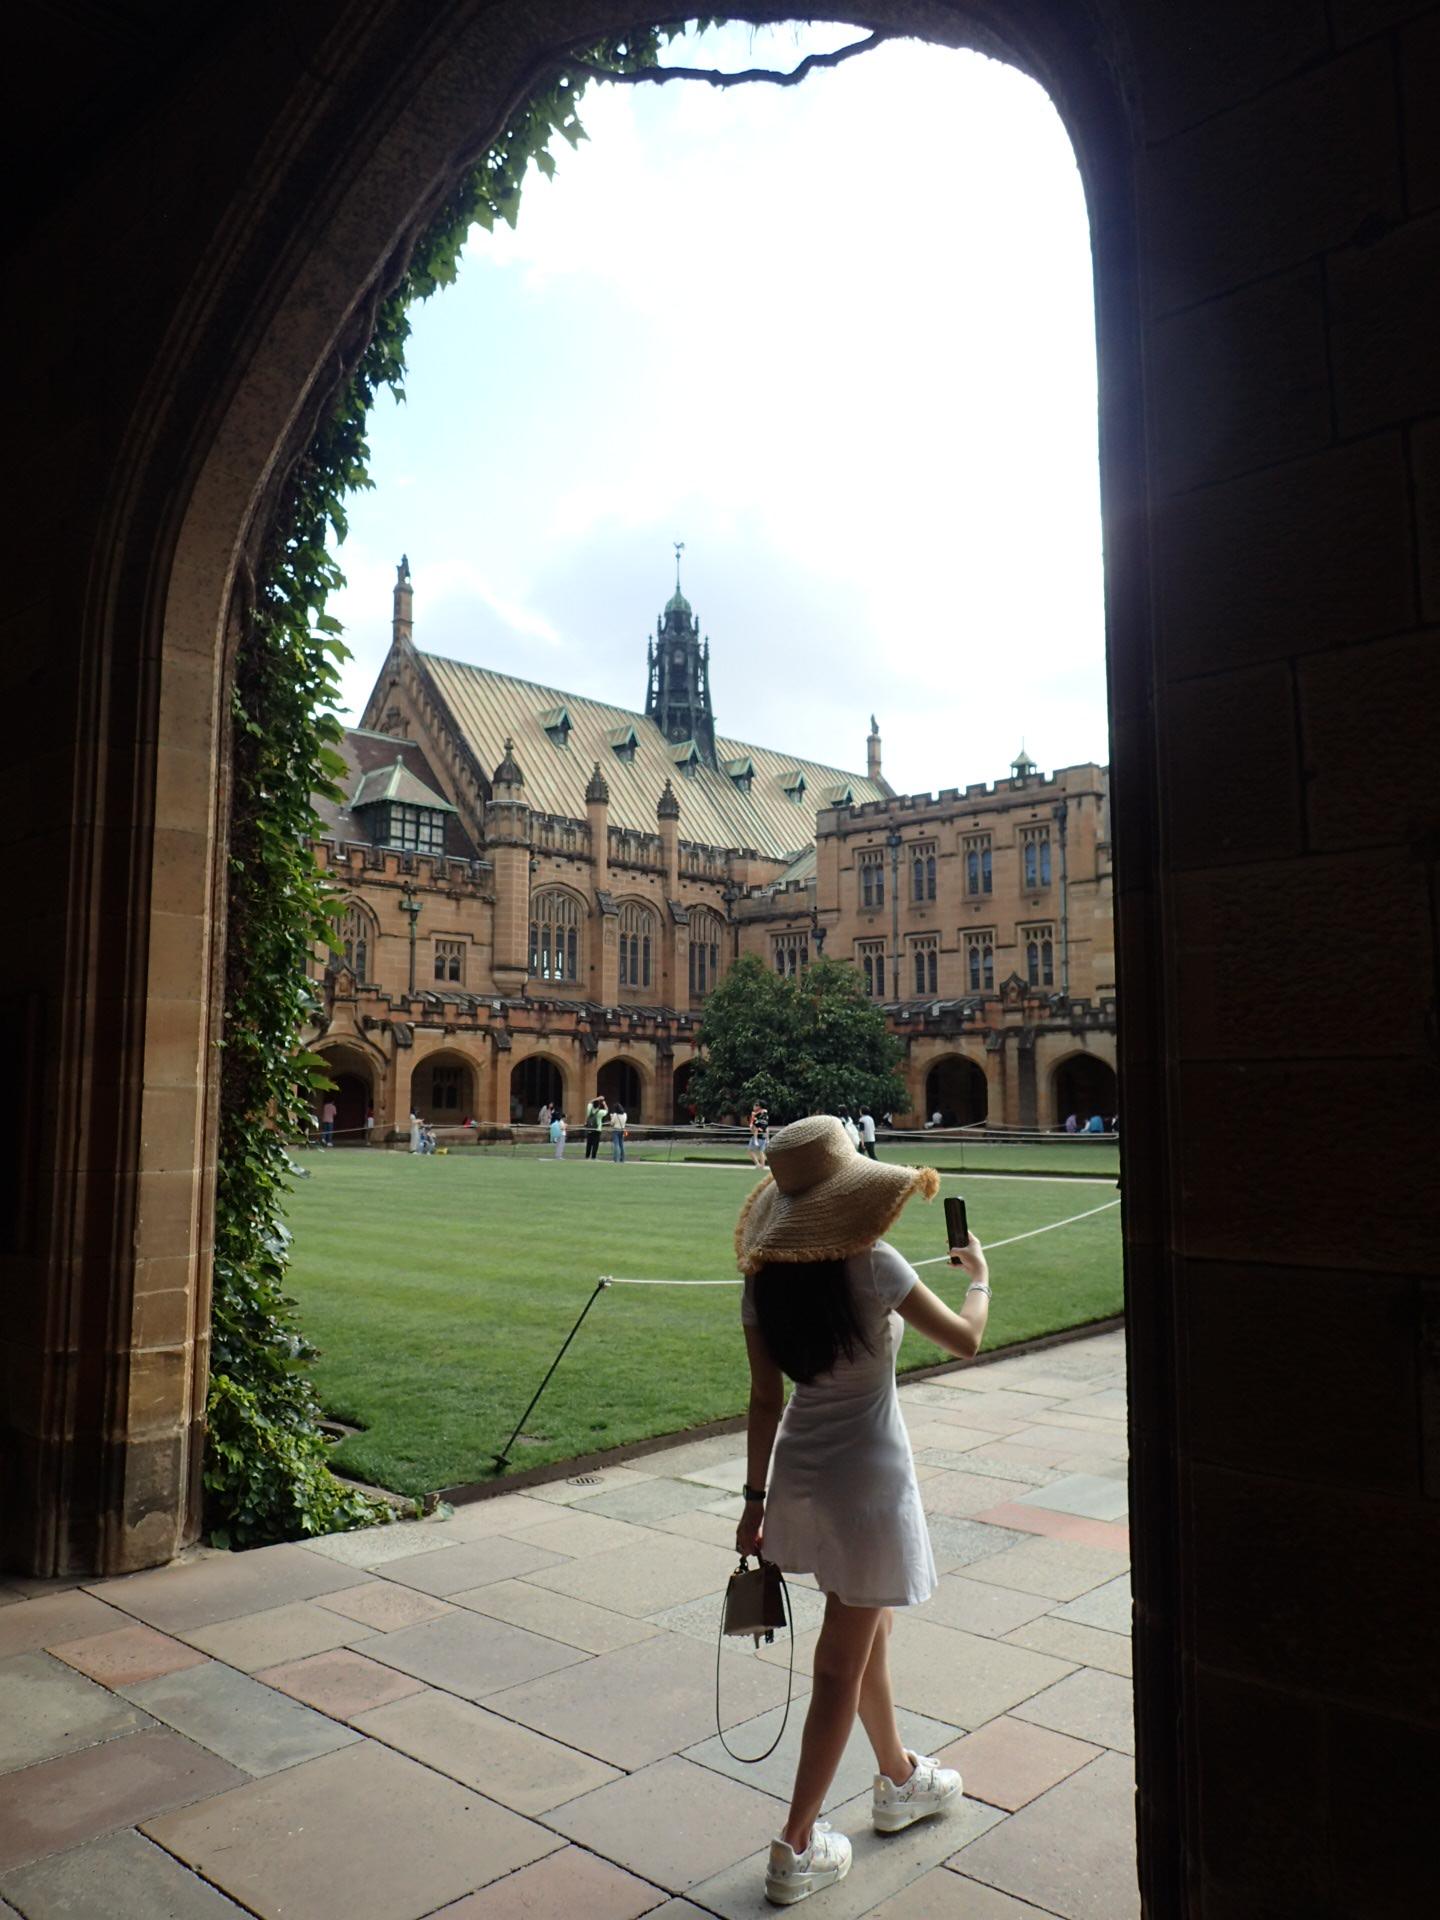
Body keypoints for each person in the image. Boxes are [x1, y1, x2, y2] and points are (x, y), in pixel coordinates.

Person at [733, 1115, 993, 1906]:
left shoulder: (762, 1280)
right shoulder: (874, 1263)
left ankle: (899, 1776)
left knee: (868, 1628)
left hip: (800, 1474)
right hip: (868, 1483)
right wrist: (979, 1277)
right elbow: (965, 1339)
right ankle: (795, 1844)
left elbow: (764, 1399)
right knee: (838, 1663)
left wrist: (753, 1502)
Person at [584, 1095, 608, 1160]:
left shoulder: (589, 1109)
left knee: (589, 1143)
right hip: (597, 1129)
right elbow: (606, 1110)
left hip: (590, 1128)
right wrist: (604, 1103)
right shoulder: (600, 1112)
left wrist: (597, 1098)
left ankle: (587, 1156)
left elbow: (590, 1102)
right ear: (599, 1106)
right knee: (595, 1144)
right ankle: (593, 1157)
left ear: (593, 1105)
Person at [748, 1102, 769, 1168]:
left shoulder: (757, 1115)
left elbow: (755, 1127)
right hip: (763, 1135)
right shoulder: (766, 1116)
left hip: (758, 1136)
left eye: (755, 1106)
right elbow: (767, 1128)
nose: (753, 1107)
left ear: (758, 1107)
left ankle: (758, 1164)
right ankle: (762, 1166)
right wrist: (767, 1139)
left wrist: (751, 1127)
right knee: (761, 1151)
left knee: (750, 1151)